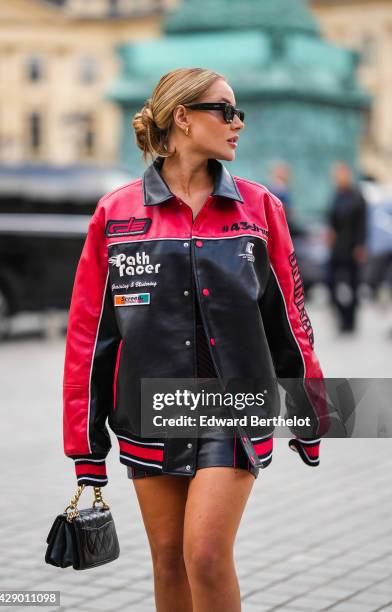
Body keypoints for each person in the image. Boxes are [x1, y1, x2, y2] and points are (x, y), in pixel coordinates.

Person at [62, 67, 327, 612]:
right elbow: (90, 336)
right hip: (149, 410)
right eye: (225, 111)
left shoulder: (260, 209)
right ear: (182, 117)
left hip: (235, 407)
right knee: (167, 558)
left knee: (204, 554)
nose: (238, 124)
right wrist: (85, 449)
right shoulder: (115, 213)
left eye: (239, 112)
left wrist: (309, 415)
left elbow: (291, 323)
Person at [326, 161, 368, 333]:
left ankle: (350, 322)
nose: (338, 178)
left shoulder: (358, 196)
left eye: (341, 175)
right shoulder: (336, 196)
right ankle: (341, 316)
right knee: (331, 282)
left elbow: (363, 224)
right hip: (337, 248)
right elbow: (331, 220)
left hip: (352, 247)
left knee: (352, 285)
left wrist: (361, 245)